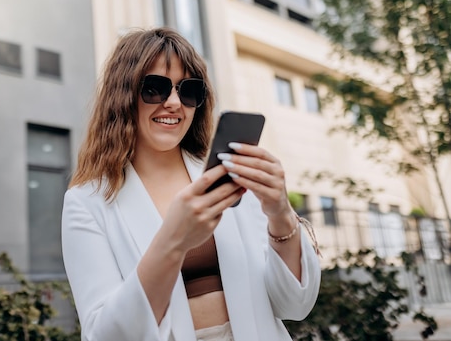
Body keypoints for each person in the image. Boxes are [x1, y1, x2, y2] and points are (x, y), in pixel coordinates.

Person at [61, 27, 321, 341]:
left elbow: (295, 304)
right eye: (155, 88)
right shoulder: (87, 202)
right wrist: (173, 239)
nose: (173, 102)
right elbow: (106, 335)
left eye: (188, 90)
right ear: (124, 95)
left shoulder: (229, 175)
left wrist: (280, 214)